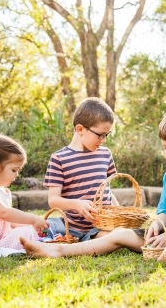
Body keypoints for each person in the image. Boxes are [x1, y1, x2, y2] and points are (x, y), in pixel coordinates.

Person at [20, 106, 166, 263]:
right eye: (165, 148)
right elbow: (165, 211)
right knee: (118, 234)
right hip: (165, 239)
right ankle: (58, 251)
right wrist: (157, 226)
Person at [41, 97, 119, 243]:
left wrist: (119, 213)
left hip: (101, 228)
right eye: (100, 135)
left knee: (121, 234)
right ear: (80, 129)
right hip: (71, 228)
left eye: (106, 135)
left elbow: (107, 191)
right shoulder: (59, 158)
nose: (103, 140)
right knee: (39, 228)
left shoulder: (105, 154)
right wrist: (77, 204)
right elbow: (53, 200)